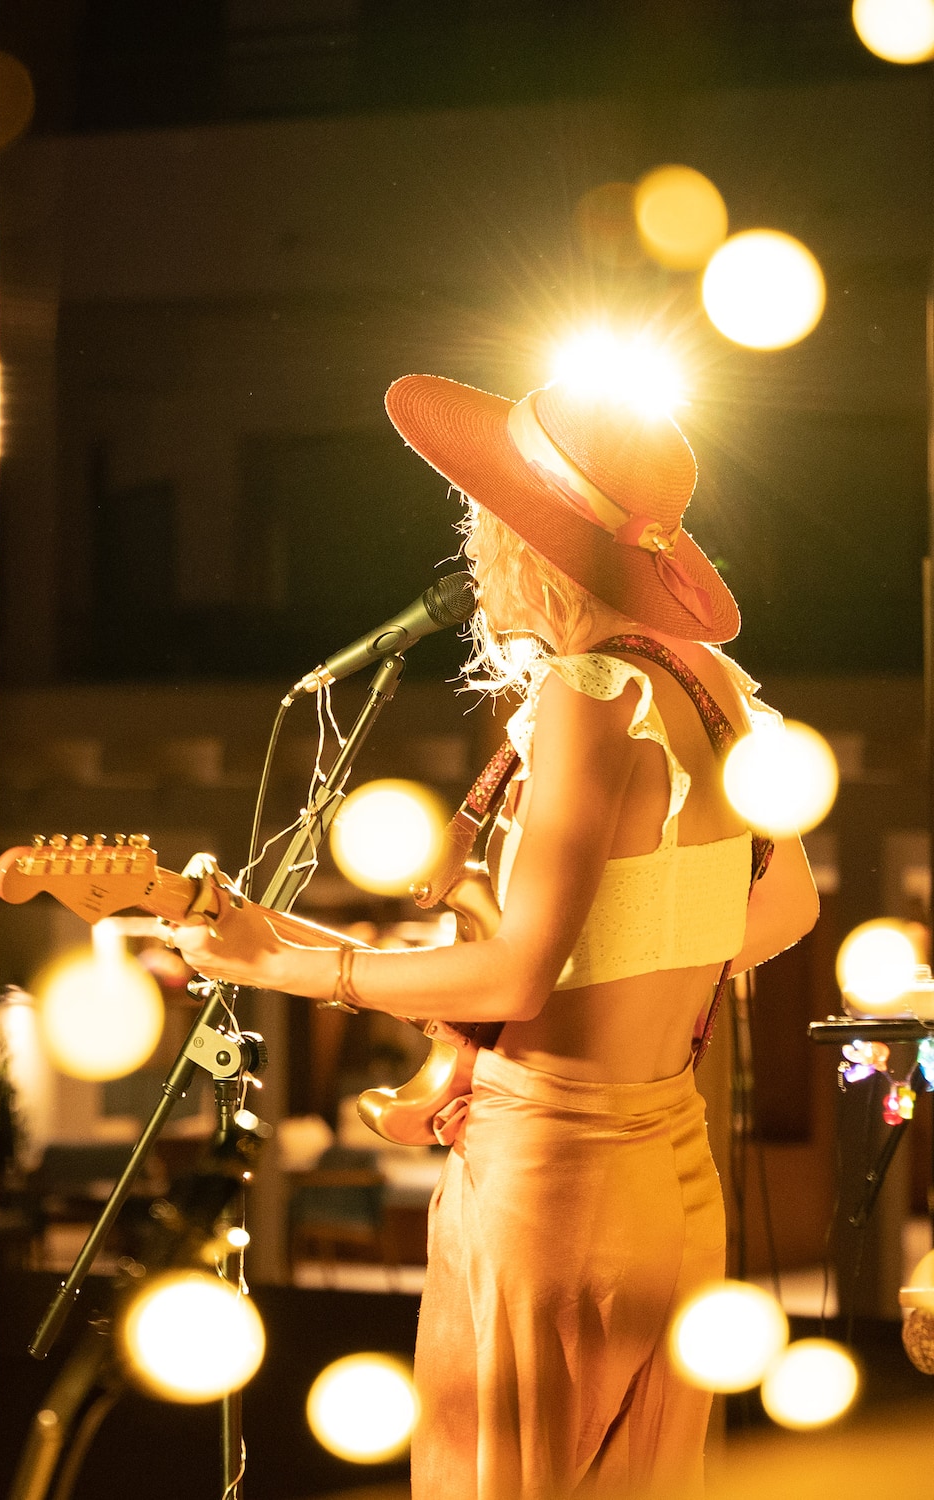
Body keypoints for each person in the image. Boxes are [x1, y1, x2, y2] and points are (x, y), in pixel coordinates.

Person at [171, 373, 820, 1499]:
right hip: (669, 1177)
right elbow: (787, 906)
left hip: (550, 1187)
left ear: (532, 542)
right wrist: (629, 979)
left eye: (483, 517)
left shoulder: (582, 695)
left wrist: (282, 964)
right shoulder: (713, 686)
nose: (472, 547)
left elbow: (517, 977)